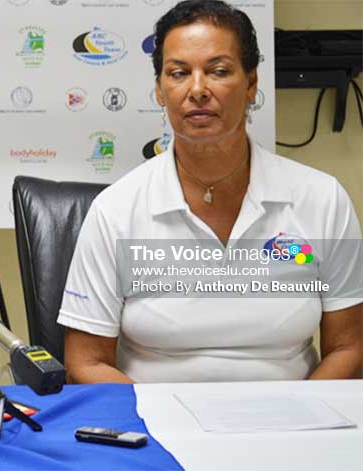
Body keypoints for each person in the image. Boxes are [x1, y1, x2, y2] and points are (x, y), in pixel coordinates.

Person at [59, 0, 362, 383]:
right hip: (156, 428)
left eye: (218, 71)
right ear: (159, 90)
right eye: (179, 73)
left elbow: (349, 348)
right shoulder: (115, 211)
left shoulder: (323, 200)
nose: (198, 89)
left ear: (251, 84)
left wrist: (300, 418)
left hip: (289, 426)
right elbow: (86, 362)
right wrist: (164, 424)